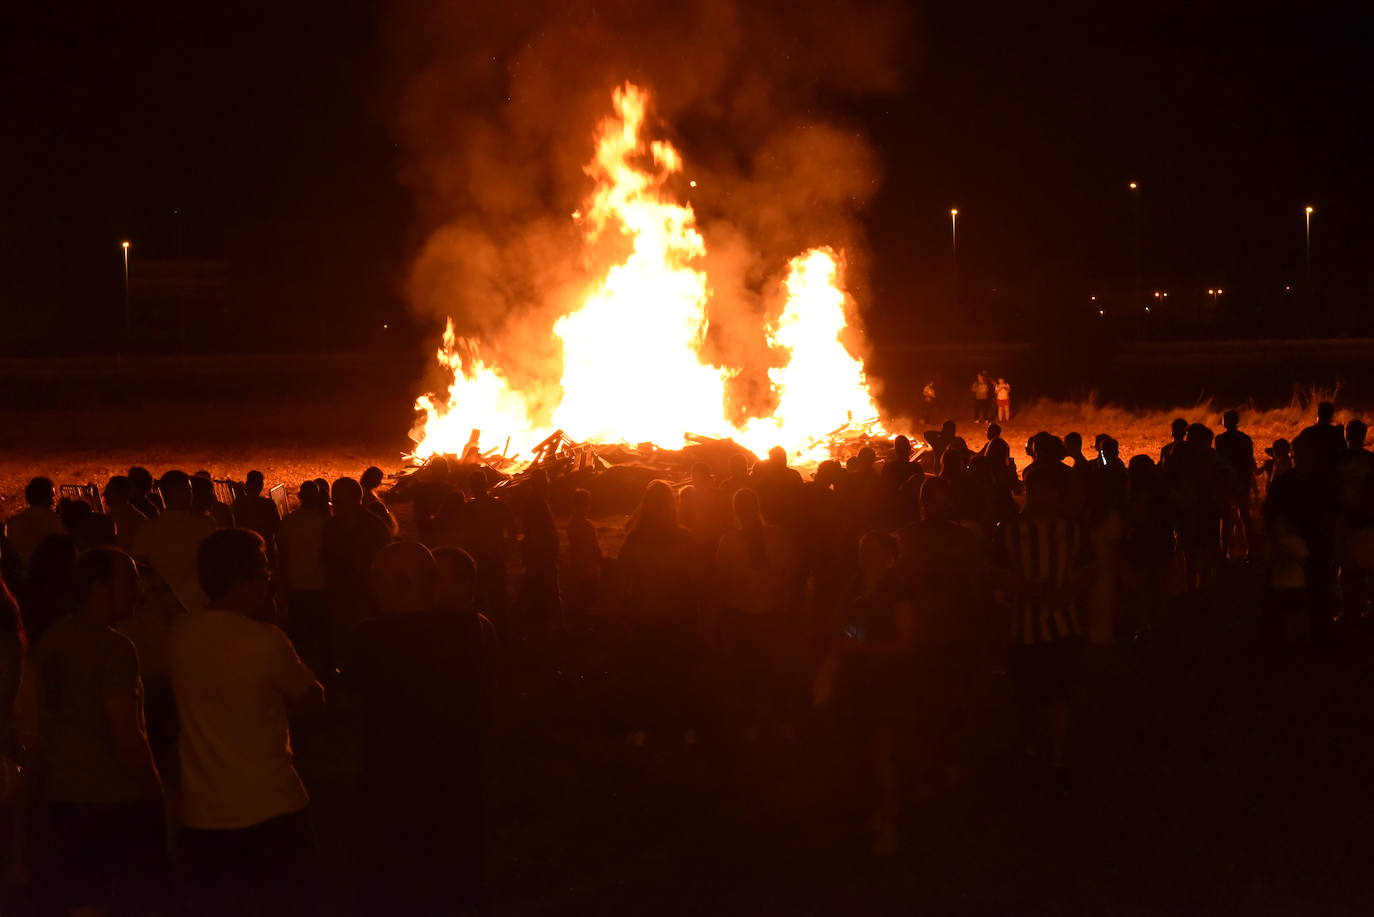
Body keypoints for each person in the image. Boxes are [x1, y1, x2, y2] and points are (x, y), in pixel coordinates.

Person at [169, 529, 323, 915]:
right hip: (270, 806)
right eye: (265, 573)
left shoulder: (179, 634)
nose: (270, 582)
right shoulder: (265, 640)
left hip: (203, 813)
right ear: (245, 580)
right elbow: (311, 695)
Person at [343, 543, 489, 914]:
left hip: (390, 787)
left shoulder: (368, 639)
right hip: (458, 781)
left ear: (391, 584)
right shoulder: (473, 630)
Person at [35, 547, 166, 914]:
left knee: (85, 900)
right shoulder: (113, 648)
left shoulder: (51, 640)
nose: (137, 591)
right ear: (99, 588)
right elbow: (126, 730)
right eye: (129, 581)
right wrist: (154, 790)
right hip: (114, 798)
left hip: (64, 795)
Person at [824, 531, 914, 856]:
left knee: (881, 753)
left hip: (885, 683)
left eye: (873, 551)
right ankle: (867, 818)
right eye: (863, 551)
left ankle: (889, 822)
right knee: (860, 752)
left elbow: (906, 644)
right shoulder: (854, 587)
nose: (866, 558)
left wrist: (861, 650)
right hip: (857, 682)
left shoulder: (898, 591)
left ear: (890, 556)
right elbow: (842, 628)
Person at [997, 470, 1086, 788]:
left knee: (1055, 696)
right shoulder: (1009, 532)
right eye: (1036, 489)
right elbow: (997, 574)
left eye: (1047, 490)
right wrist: (1031, 592)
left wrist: (1063, 594)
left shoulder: (1071, 532)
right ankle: (1037, 752)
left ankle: (1053, 757)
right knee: (1031, 697)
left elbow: (1083, 572)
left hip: (1058, 630)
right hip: (1026, 630)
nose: (1041, 496)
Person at [614, 481, 703, 747]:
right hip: (678, 614)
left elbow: (622, 579)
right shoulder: (685, 538)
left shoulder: (634, 541)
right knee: (680, 672)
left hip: (646, 615)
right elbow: (696, 578)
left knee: (647, 672)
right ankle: (685, 728)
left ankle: (644, 728)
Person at [714, 488, 800, 740]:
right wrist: (785, 599)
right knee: (775, 668)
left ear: (736, 511)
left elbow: (721, 580)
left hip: (744, 616)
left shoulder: (730, 540)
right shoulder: (776, 536)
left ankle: (751, 725)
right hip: (772, 614)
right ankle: (784, 723)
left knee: (747, 670)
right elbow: (792, 571)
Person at [133, 470, 219, 613]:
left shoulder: (147, 529)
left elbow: (139, 565)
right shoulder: (205, 525)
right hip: (199, 604)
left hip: (163, 608)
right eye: (189, 489)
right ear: (185, 492)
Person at [276, 481, 332, 680]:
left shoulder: (289, 521)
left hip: (297, 585)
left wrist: (280, 588)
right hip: (321, 585)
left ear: (299, 497)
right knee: (322, 632)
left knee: (301, 635)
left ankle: (302, 674)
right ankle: (325, 674)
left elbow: (281, 556)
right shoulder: (326, 522)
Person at [460, 470, 517, 628]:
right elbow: (513, 529)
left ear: (472, 487)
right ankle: (501, 628)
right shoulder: (498, 505)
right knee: (497, 594)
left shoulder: (467, 508)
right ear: (486, 486)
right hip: (493, 556)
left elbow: (460, 532)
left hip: (477, 557)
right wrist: (508, 547)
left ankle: (480, 627)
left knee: (478, 595)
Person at [1215, 410, 1257, 553]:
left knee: (1226, 516)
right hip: (1242, 478)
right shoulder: (1245, 438)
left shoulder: (1220, 439)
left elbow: (1220, 460)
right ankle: (1251, 550)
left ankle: (1224, 550)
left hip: (1227, 479)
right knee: (1244, 515)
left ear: (1225, 422)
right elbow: (1249, 460)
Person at [4, 477, 63, 577]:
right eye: (52, 496)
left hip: (22, 575)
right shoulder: (56, 522)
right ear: (47, 498)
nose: (54, 501)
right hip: (51, 576)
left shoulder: (13, 522)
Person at [565, 488, 602, 621]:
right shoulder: (587, 526)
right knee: (590, 600)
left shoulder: (571, 524)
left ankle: (580, 624)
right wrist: (602, 561)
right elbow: (594, 546)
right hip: (589, 568)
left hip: (577, 566)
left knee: (580, 599)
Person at [232, 470, 281, 546]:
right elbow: (276, 526)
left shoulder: (237, 503)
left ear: (247, 485)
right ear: (261, 486)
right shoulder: (268, 504)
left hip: (243, 544)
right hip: (265, 544)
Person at [102, 475, 147, 554]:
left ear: (116, 492)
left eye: (107, 490)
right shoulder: (138, 517)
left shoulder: (123, 518)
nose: (104, 494)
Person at [360, 466, 398, 535]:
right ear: (372, 479)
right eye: (378, 479)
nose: (380, 482)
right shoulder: (364, 494)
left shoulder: (368, 491)